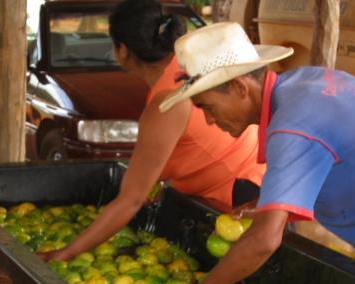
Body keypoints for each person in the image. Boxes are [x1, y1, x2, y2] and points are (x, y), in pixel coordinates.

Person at [159, 22, 355, 284]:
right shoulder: (299, 84)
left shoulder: (292, 123)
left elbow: (265, 240)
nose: (210, 121)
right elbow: (335, 155)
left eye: (208, 107)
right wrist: (273, 202)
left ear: (240, 88)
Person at [39, 1, 265, 263]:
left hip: (237, 203)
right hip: (255, 181)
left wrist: (66, 253)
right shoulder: (184, 70)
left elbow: (131, 200)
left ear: (122, 50)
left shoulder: (168, 101)